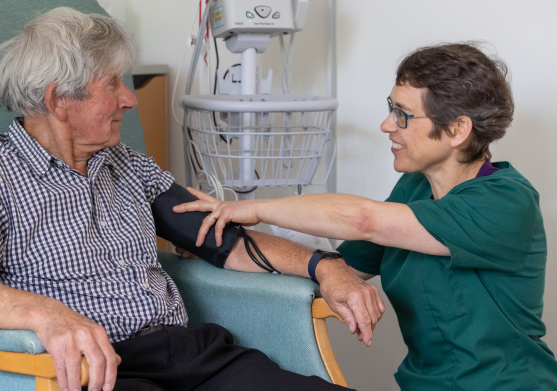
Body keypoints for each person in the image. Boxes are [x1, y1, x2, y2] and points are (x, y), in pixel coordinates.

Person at [0, 7, 381, 391]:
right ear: (60, 101)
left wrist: (327, 267)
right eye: (113, 85)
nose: (130, 100)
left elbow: (226, 242)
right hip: (100, 371)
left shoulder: (128, 166)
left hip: (190, 356)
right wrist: (49, 315)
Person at [175, 42, 557, 391]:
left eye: (403, 115)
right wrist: (220, 242)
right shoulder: (414, 188)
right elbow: (338, 266)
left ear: (457, 129)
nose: (387, 125)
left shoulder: (505, 202)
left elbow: (362, 219)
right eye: (390, 108)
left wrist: (253, 207)